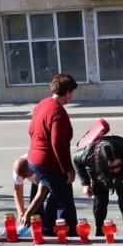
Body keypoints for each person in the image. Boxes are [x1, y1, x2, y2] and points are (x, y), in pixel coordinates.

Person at [27, 73, 78, 235]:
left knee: (56, 195)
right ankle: (66, 234)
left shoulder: (42, 104)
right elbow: (58, 143)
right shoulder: (59, 112)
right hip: (49, 163)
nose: (72, 96)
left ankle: (47, 229)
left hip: (35, 160)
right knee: (65, 201)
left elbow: (31, 130)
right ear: (67, 92)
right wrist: (68, 169)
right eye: (72, 93)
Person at [13, 154, 48, 227]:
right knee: (35, 213)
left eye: (26, 175)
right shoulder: (18, 171)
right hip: (37, 182)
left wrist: (27, 214)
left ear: (31, 169)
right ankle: (40, 230)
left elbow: (41, 193)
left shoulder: (40, 165)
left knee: (52, 211)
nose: (24, 178)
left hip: (53, 180)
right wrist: (21, 214)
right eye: (22, 176)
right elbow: (18, 192)